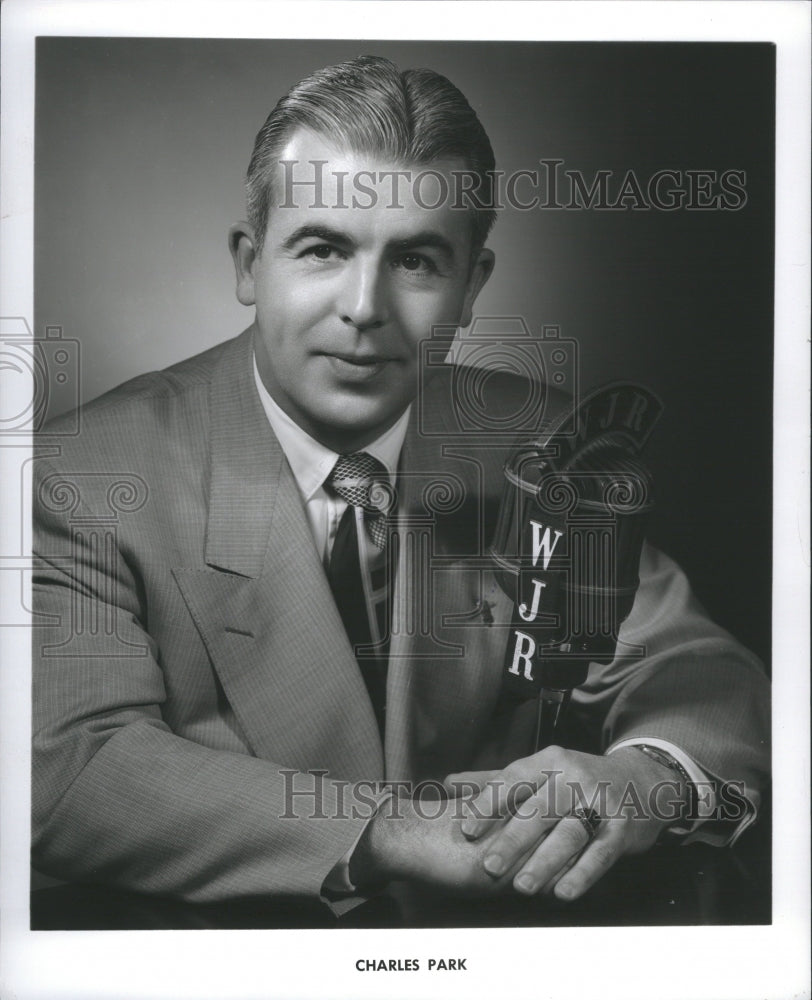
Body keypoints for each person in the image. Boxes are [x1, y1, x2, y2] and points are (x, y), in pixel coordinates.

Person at [31, 55, 769, 911]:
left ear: (468, 289)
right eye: (322, 248)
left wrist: (643, 779)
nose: (364, 307)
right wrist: (382, 830)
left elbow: (694, 665)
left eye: (416, 261)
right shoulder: (82, 477)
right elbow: (72, 766)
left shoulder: (536, 443)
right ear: (248, 263)